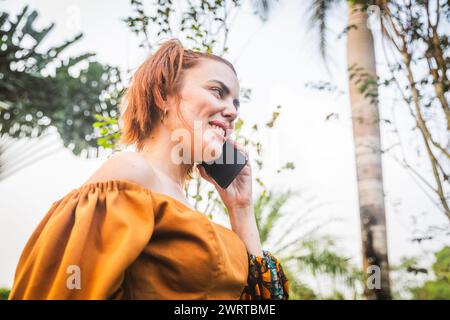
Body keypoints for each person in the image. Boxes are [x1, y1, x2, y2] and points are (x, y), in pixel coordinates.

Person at [9, 38, 289, 300]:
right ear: (163, 95)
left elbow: (264, 301)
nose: (232, 111)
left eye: (236, 103)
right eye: (218, 91)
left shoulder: (184, 205)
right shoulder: (131, 171)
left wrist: (241, 207)